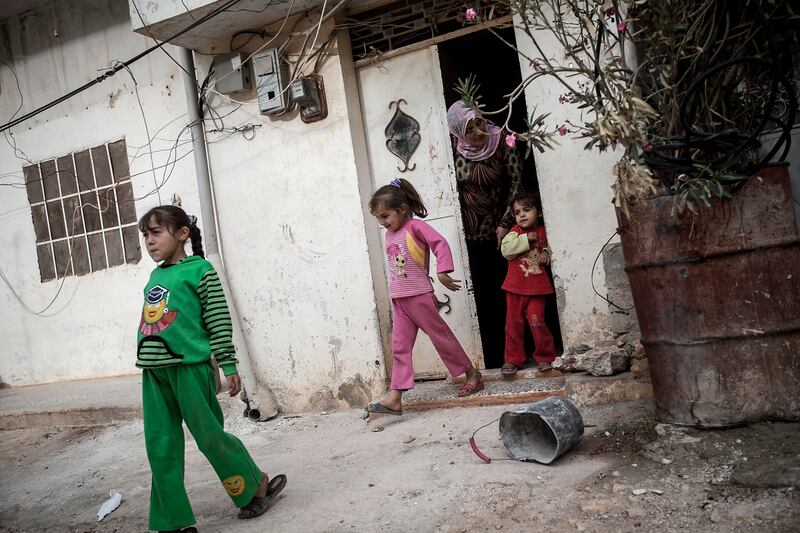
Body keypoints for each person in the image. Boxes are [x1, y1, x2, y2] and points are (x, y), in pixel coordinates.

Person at [136, 205, 286, 532]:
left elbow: (218, 321)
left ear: (182, 234)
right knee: (160, 445)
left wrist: (228, 363)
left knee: (209, 437)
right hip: (154, 372)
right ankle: (171, 520)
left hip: (191, 369)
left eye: (156, 232)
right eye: (145, 235)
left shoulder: (200, 271)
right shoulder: (155, 276)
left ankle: (253, 485)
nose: (149, 240)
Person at [365, 178, 484, 415]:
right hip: (399, 299)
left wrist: (442, 271)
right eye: (379, 218)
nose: (383, 222)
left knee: (441, 337)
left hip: (419, 295)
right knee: (399, 347)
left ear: (402, 209)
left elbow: (439, 243)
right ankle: (396, 398)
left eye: (386, 216)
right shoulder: (390, 235)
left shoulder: (416, 227)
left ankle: (471, 373)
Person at [446, 100, 523, 368]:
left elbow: (517, 181)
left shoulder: (501, 140)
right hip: (467, 236)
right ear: (458, 132)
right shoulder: (452, 149)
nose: (479, 132)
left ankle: (515, 355)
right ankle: (488, 357)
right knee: (480, 299)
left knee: (508, 296)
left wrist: (506, 221)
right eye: (470, 129)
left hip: (500, 233)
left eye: (480, 122)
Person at [499, 192, 557, 375]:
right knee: (513, 324)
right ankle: (513, 360)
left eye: (527, 210)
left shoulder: (545, 231)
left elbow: (549, 244)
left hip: (537, 288)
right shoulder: (514, 233)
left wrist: (546, 251)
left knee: (537, 321)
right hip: (515, 288)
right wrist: (526, 239)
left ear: (539, 212)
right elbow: (506, 250)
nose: (522, 215)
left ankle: (545, 357)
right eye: (517, 212)